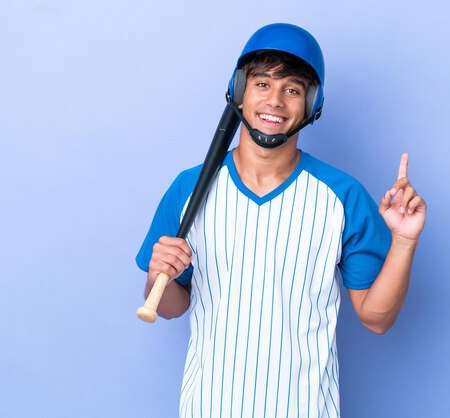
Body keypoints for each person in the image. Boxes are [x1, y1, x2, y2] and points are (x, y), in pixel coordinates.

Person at [136, 23, 426, 418]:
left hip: (305, 408)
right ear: (239, 92)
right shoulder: (188, 189)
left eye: (292, 89)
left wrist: (405, 242)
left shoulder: (342, 195)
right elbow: (168, 307)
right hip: (208, 405)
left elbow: (377, 319)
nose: (275, 101)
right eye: (262, 84)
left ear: (311, 104)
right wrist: (158, 275)